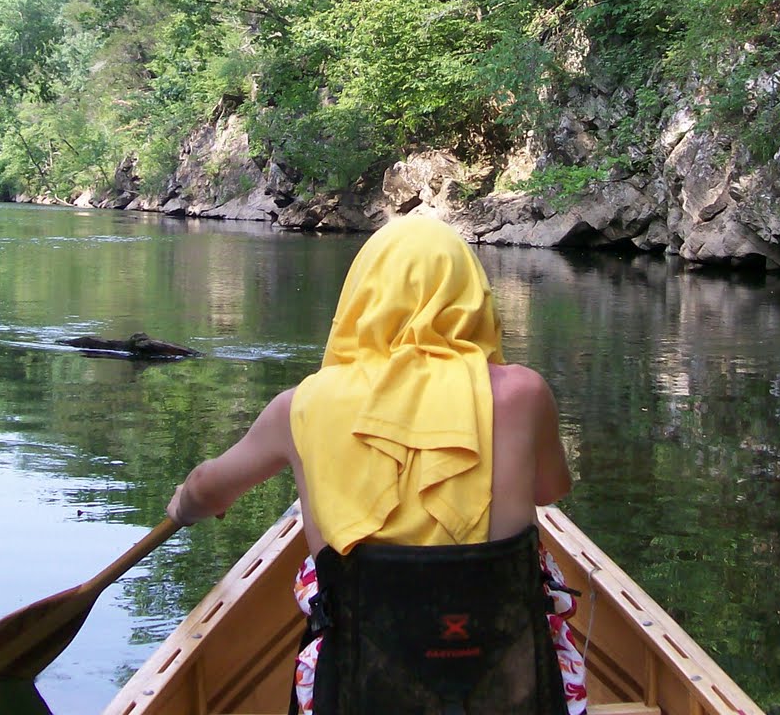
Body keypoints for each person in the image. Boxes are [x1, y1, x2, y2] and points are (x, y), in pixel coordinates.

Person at [167, 215, 588, 714]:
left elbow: (206, 489)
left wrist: (183, 507)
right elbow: (548, 490)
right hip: (513, 691)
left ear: (361, 299)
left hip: (357, 695)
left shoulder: (299, 407)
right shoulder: (525, 393)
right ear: (473, 297)